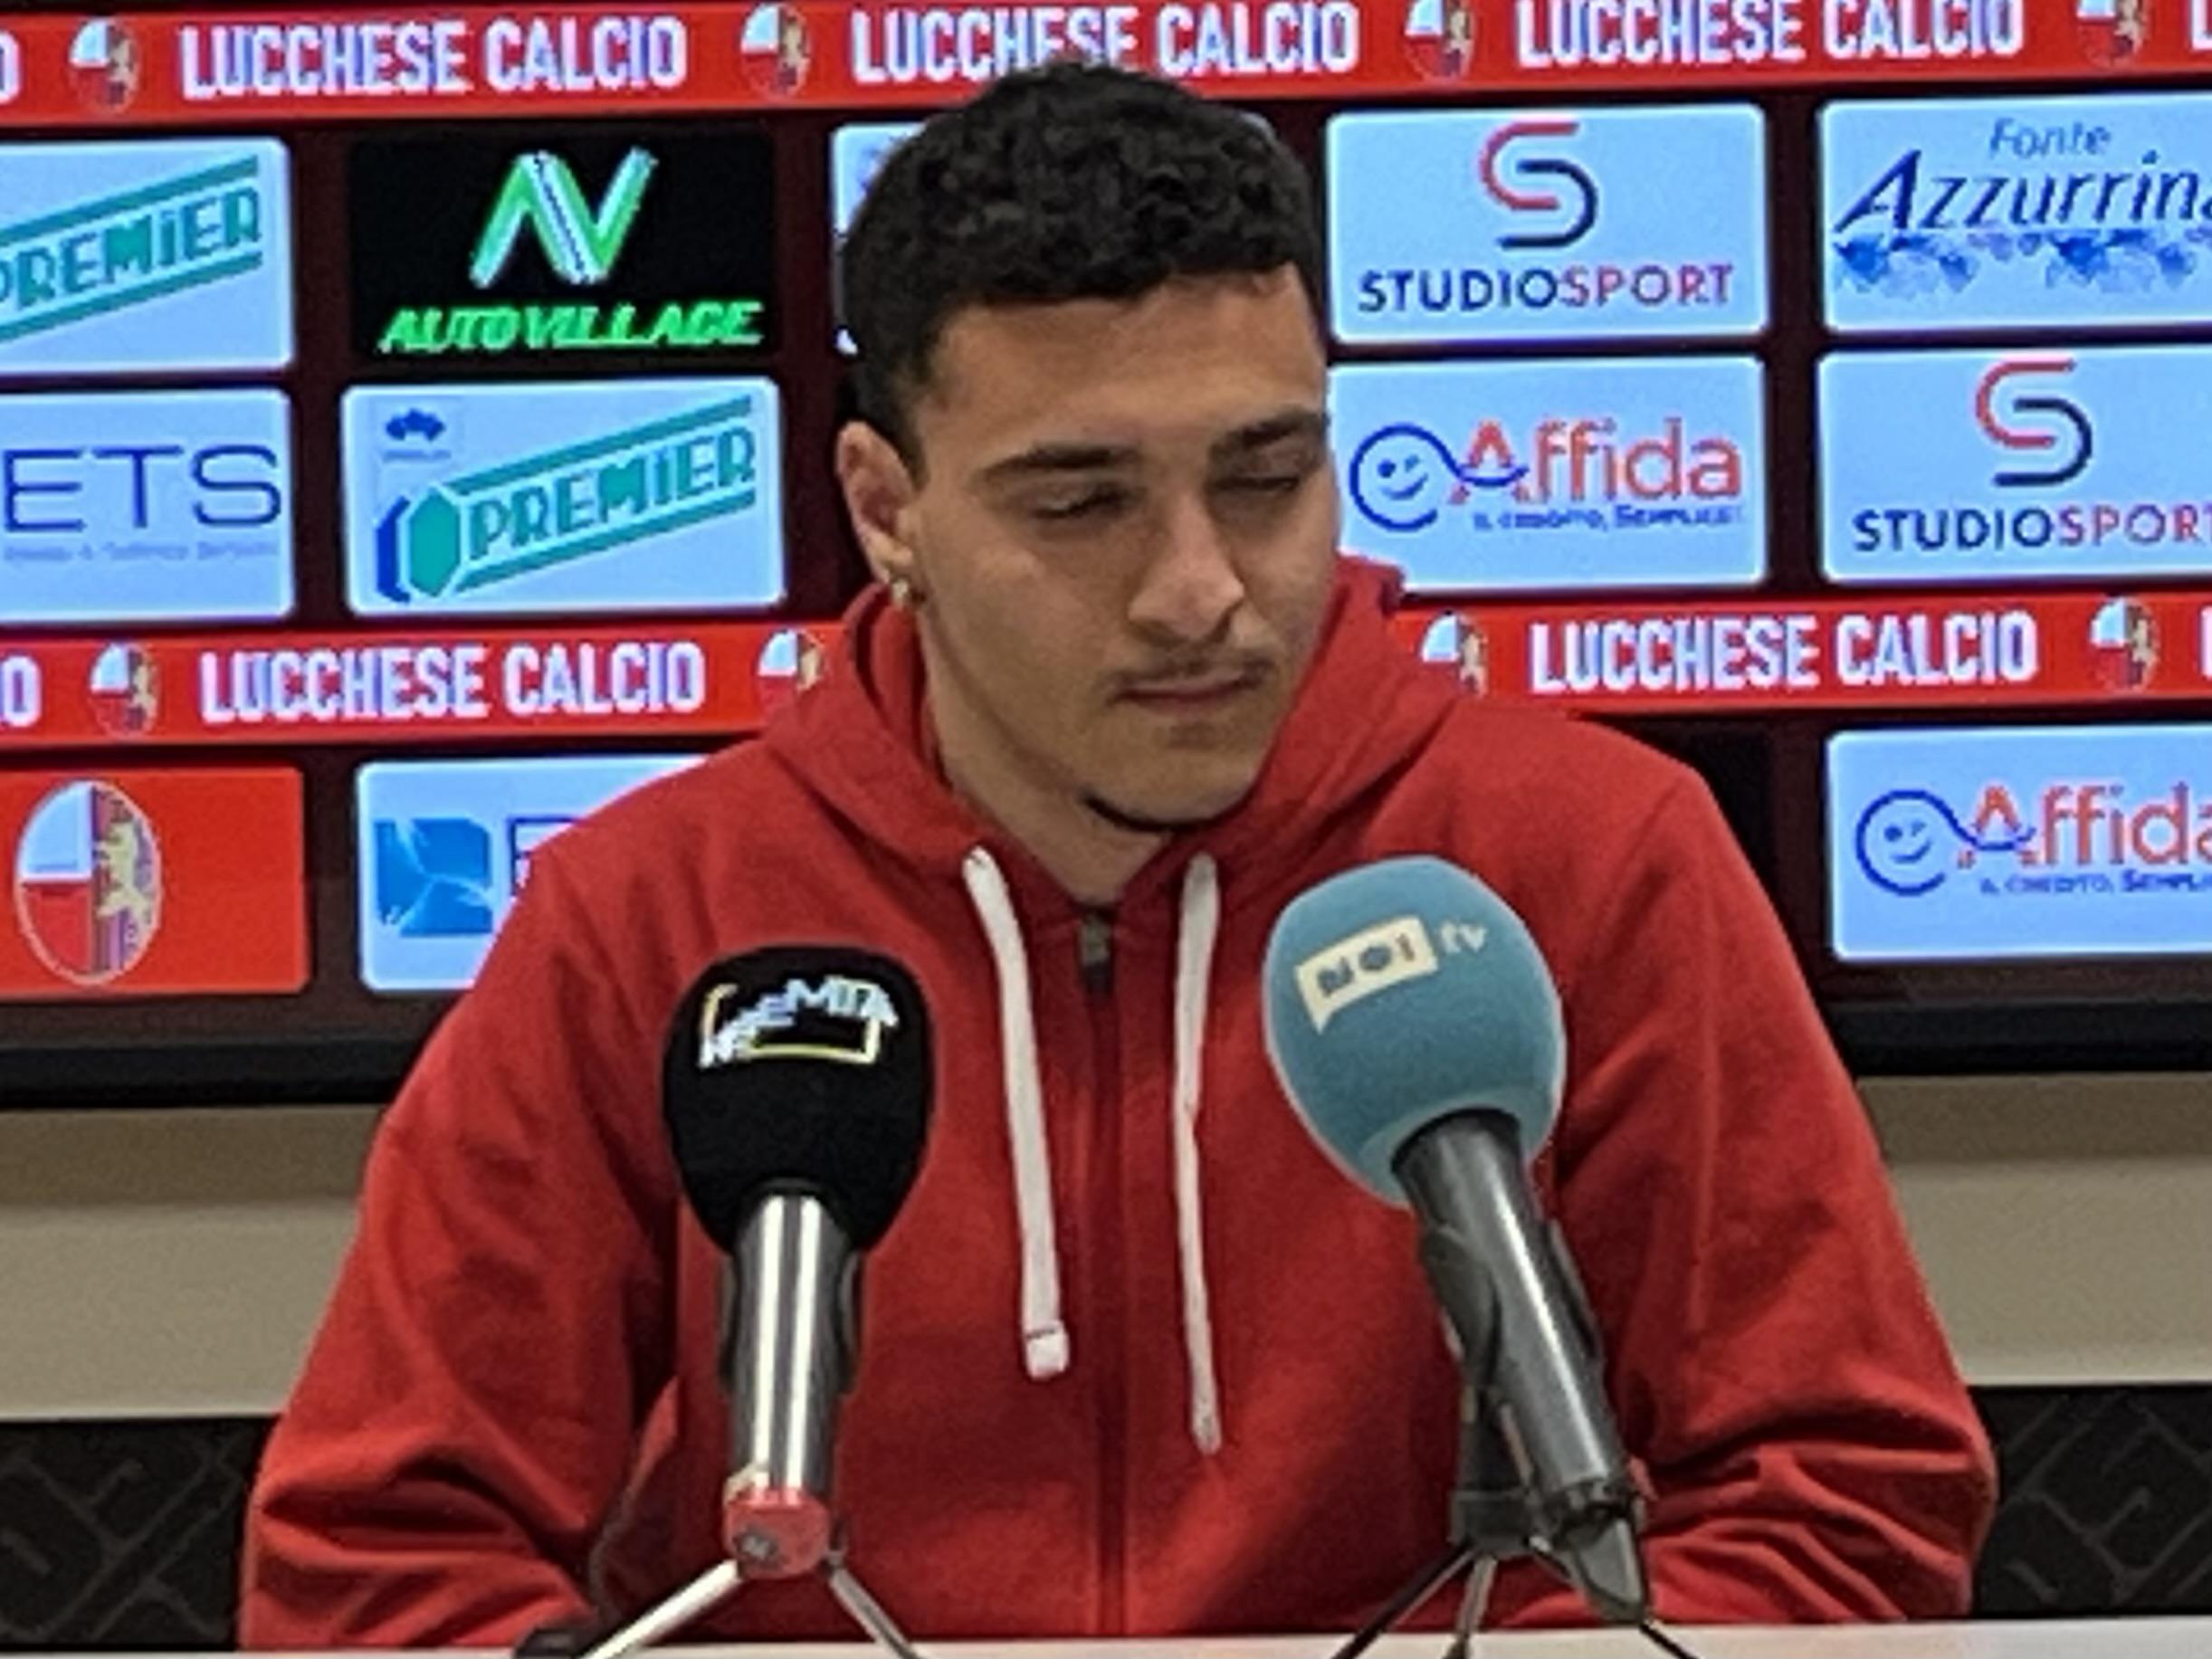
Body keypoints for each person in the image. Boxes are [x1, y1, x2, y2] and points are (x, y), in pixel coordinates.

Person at [242, 65, 1994, 1646]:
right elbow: (378, 1565)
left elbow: (1842, 1495)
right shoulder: (649, 917)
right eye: (1079, 501)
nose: (1199, 589)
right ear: (885, 507)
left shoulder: (1589, 861)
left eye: (1266, 476)